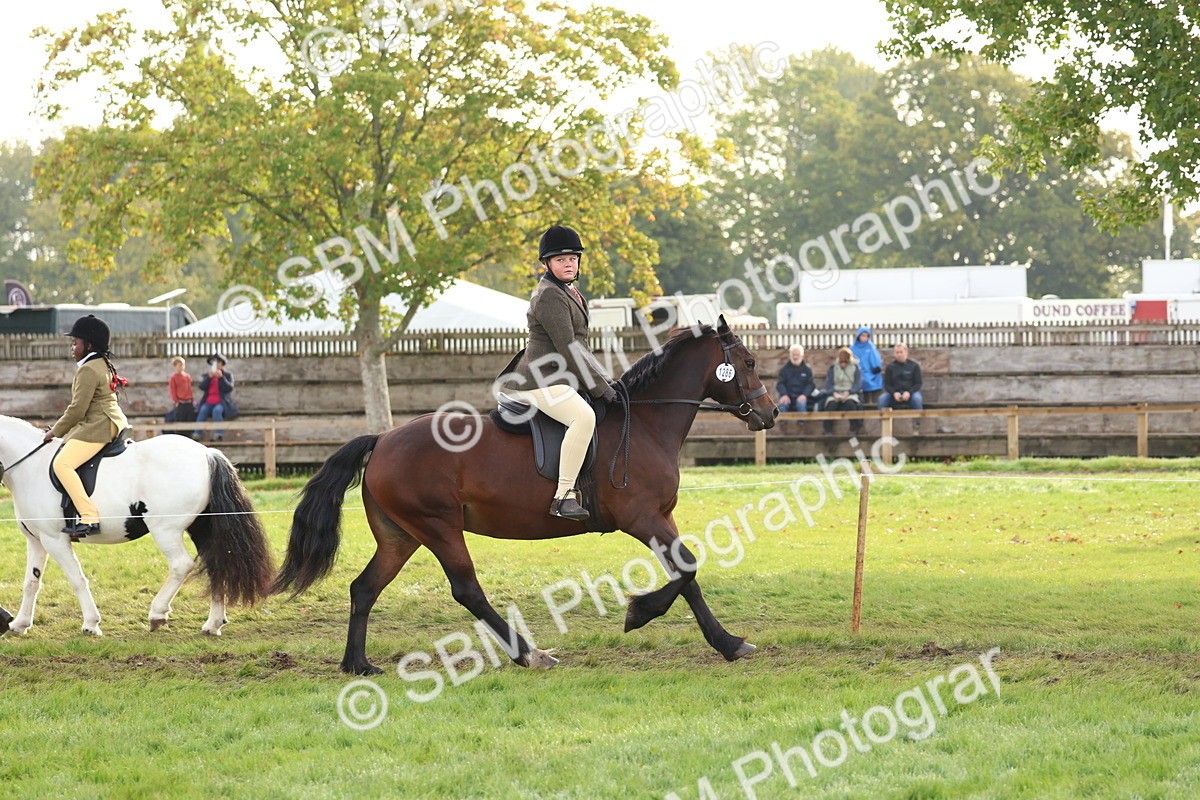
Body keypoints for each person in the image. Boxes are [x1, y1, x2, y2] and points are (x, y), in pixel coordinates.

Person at [501, 224, 617, 521]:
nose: (568, 264)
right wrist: (601, 389)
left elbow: (582, 346)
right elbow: (568, 347)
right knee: (584, 416)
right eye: (561, 259)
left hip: (559, 378)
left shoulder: (571, 293)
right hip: (540, 381)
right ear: (547, 264)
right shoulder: (550, 296)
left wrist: (605, 380)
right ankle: (564, 496)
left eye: (573, 259)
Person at [43, 315, 130, 539]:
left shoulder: (88, 370)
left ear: (89, 345)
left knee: (62, 464)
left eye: (75, 343)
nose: (72, 348)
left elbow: (77, 410)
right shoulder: (101, 363)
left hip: (99, 425)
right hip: (110, 420)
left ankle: (89, 516)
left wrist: (54, 432)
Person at [194, 353, 236, 441]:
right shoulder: (207, 375)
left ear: (222, 364)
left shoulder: (227, 375)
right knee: (203, 410)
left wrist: (221, 378)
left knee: (217, 411)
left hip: (221, 402)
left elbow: (229, 388)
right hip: (208, 401)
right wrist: (208, 378)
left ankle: (218, 434)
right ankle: (197, 433)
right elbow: (201, 387)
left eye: (218, 363)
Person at [821, 346, 863, 435]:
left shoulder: (856, 368)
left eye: (845, 362)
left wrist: (849, 393)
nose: (843, 364)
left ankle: (854, 429)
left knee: (851, 404)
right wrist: (833, 393)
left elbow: (857, 384)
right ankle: (828, 430)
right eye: (841, 362)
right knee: (831, 405)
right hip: (835, 392)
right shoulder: (833, 368)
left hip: (850, 393)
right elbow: (829, 383)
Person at [879, 342, 924, 423]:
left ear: (906, 352)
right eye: (897, 352)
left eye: (901, 352)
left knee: (917, 399)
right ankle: (882, 424)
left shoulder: (914, 366)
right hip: (894, 394)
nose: (899, 354)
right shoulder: (890, 367)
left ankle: (918, 424)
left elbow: (918, 383)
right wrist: (894, 393)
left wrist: (909, 392)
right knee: (882, 399)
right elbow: (887, 384)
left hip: (910, 393)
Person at [775, 344, 816, 428]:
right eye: (793, 354)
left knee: (801, 404)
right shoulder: (784, 370)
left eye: (797, 355)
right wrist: (784, 394)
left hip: (801, 396)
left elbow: (811, 384)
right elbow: (780, 384)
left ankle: (802, 426)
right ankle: (783, 427)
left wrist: (804, 395)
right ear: (790, 356)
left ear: (802, 356)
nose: (795, 357)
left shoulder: (807, 370)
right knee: (782, 405)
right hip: (788, 396)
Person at [851, 325, 883, 405]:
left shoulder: (871, 347)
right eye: (862, 335)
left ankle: (870, 402)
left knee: (870, 379)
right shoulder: (853, 348)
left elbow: (875, 358)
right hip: (857, 372)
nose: (864, 338)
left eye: (866, 336)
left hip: (870, 372)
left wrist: (876, 367)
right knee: (861, 380)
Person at [165, 356, 196, 424]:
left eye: (183, 365)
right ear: (175, 366)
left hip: (188, 401)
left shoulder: (187, 377)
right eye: (180, 365)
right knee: (180, 420)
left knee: (190, 419)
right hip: (180, 402)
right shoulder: (174, 377)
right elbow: (173, 390)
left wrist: (192, 399)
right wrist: (176, 401)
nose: (182, 367)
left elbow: (189, 388)